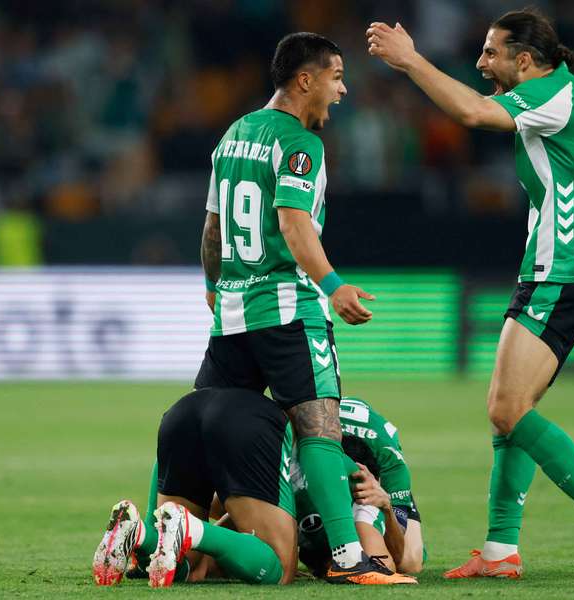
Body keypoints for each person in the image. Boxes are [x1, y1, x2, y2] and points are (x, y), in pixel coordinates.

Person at [367, 7, 574, 581]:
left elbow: (471, 110)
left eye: (490, 53)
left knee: (506, 408)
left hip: (562, 272)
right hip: (555, 270)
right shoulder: (561, 95)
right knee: (510, 414)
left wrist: (411, 60)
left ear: (524, 60)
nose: (480, 62)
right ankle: (499, 554)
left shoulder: (553, 96)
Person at [194, 32, 409, 585]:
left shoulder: (234, 134)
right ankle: (346, 557)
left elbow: (213, 228)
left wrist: (216, 286)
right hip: (289, 312)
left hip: (233, 318)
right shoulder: (299, 144)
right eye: (336, 77)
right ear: (305, 80)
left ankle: (172, 544)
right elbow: (293, 224)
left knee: (208, 430)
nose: (342, 90)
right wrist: (334, 285)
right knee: (319, 428)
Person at [91, 387, 297, 586]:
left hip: (184, 410)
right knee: (280, 568)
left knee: (191, 566)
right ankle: (189, 527)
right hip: (248, 421)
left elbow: (226, 506)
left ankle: (138, 533)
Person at [295, 397, 425, 576]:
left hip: (376, 462)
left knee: (409, 563)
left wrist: (386, 507)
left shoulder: (392, 466)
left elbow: (397, 553)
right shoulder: (304, 450)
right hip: (317, 444)